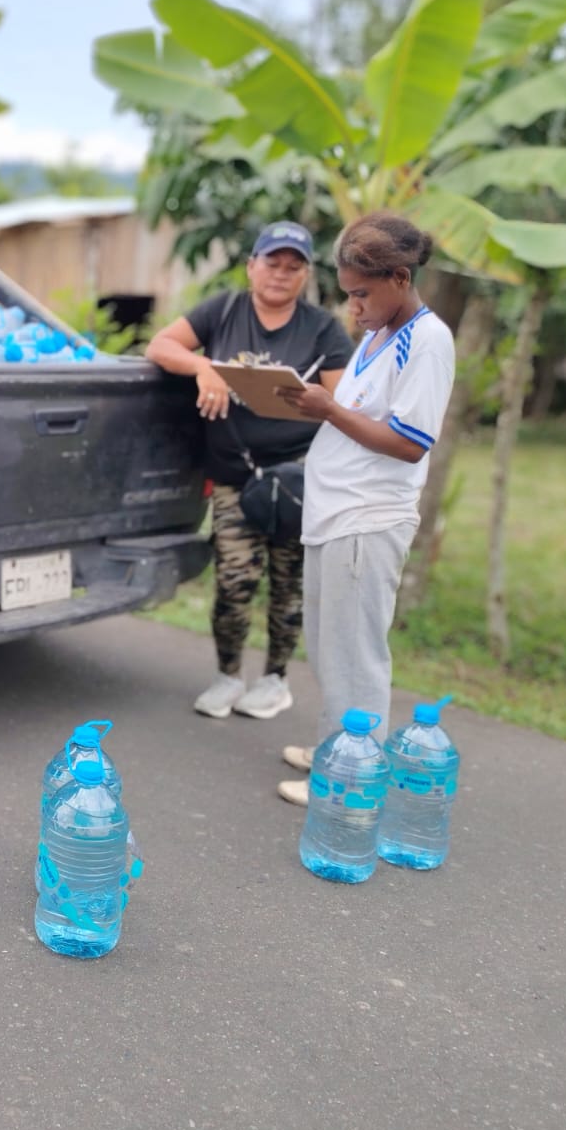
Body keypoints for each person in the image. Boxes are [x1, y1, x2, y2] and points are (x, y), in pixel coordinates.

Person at [274, 211, 456, 806]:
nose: (353, 308)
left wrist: (329, 410)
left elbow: (409, 443)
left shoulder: (427, 341)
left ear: (400, 278)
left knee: (357, 657)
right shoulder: (380, 335)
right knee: (333, 649)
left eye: (361, 294)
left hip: (368, 519)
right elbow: (361, 417)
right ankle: (338, 748)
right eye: (349, 294)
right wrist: (314, 405)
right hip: (336, 514)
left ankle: (350, 780)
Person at [146, 222, 352, 722]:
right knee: (233, 580)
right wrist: (205, 368)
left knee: (288, 584)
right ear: (251, 266)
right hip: (234, 475)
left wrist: (308, 400)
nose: (281, 274)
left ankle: (275, 678)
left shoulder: (322, 328)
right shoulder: (223, 311)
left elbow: (344, 402)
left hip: (298, 478)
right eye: (272, 263)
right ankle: (228, 675)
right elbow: (161, 346)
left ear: (306, 275)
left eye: (293, 266)